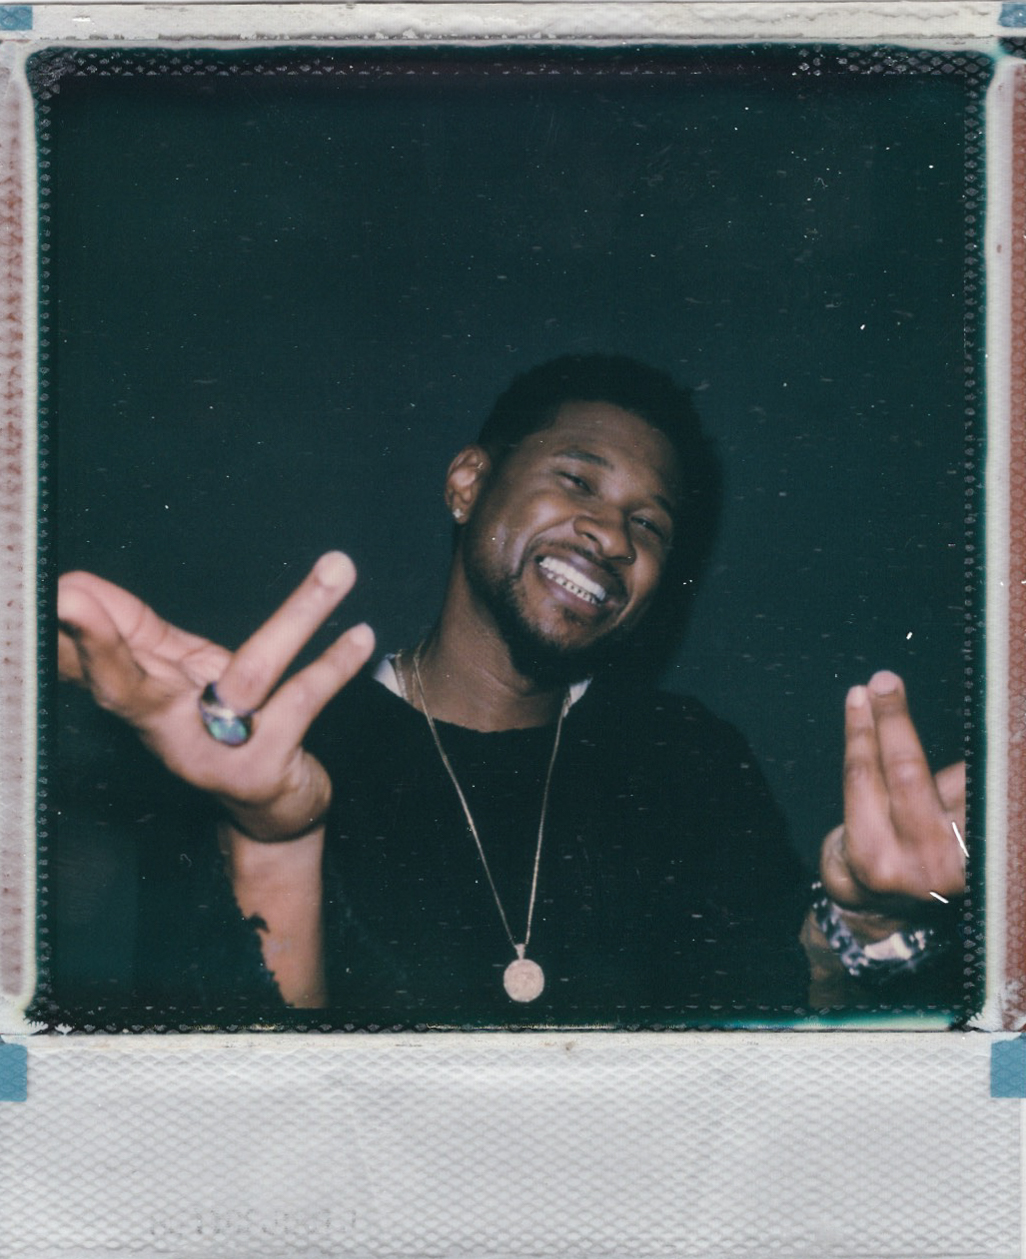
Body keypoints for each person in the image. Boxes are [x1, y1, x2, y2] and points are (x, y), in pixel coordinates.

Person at [56, 355, 968, 1026]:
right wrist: (270, 834)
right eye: (577, 479)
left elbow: (779, 1028)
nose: (612, 535)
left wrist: (864, 920)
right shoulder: (276, 748)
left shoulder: (686, 758)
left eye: (649, 524)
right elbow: (243, 1114)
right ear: (468, 483)